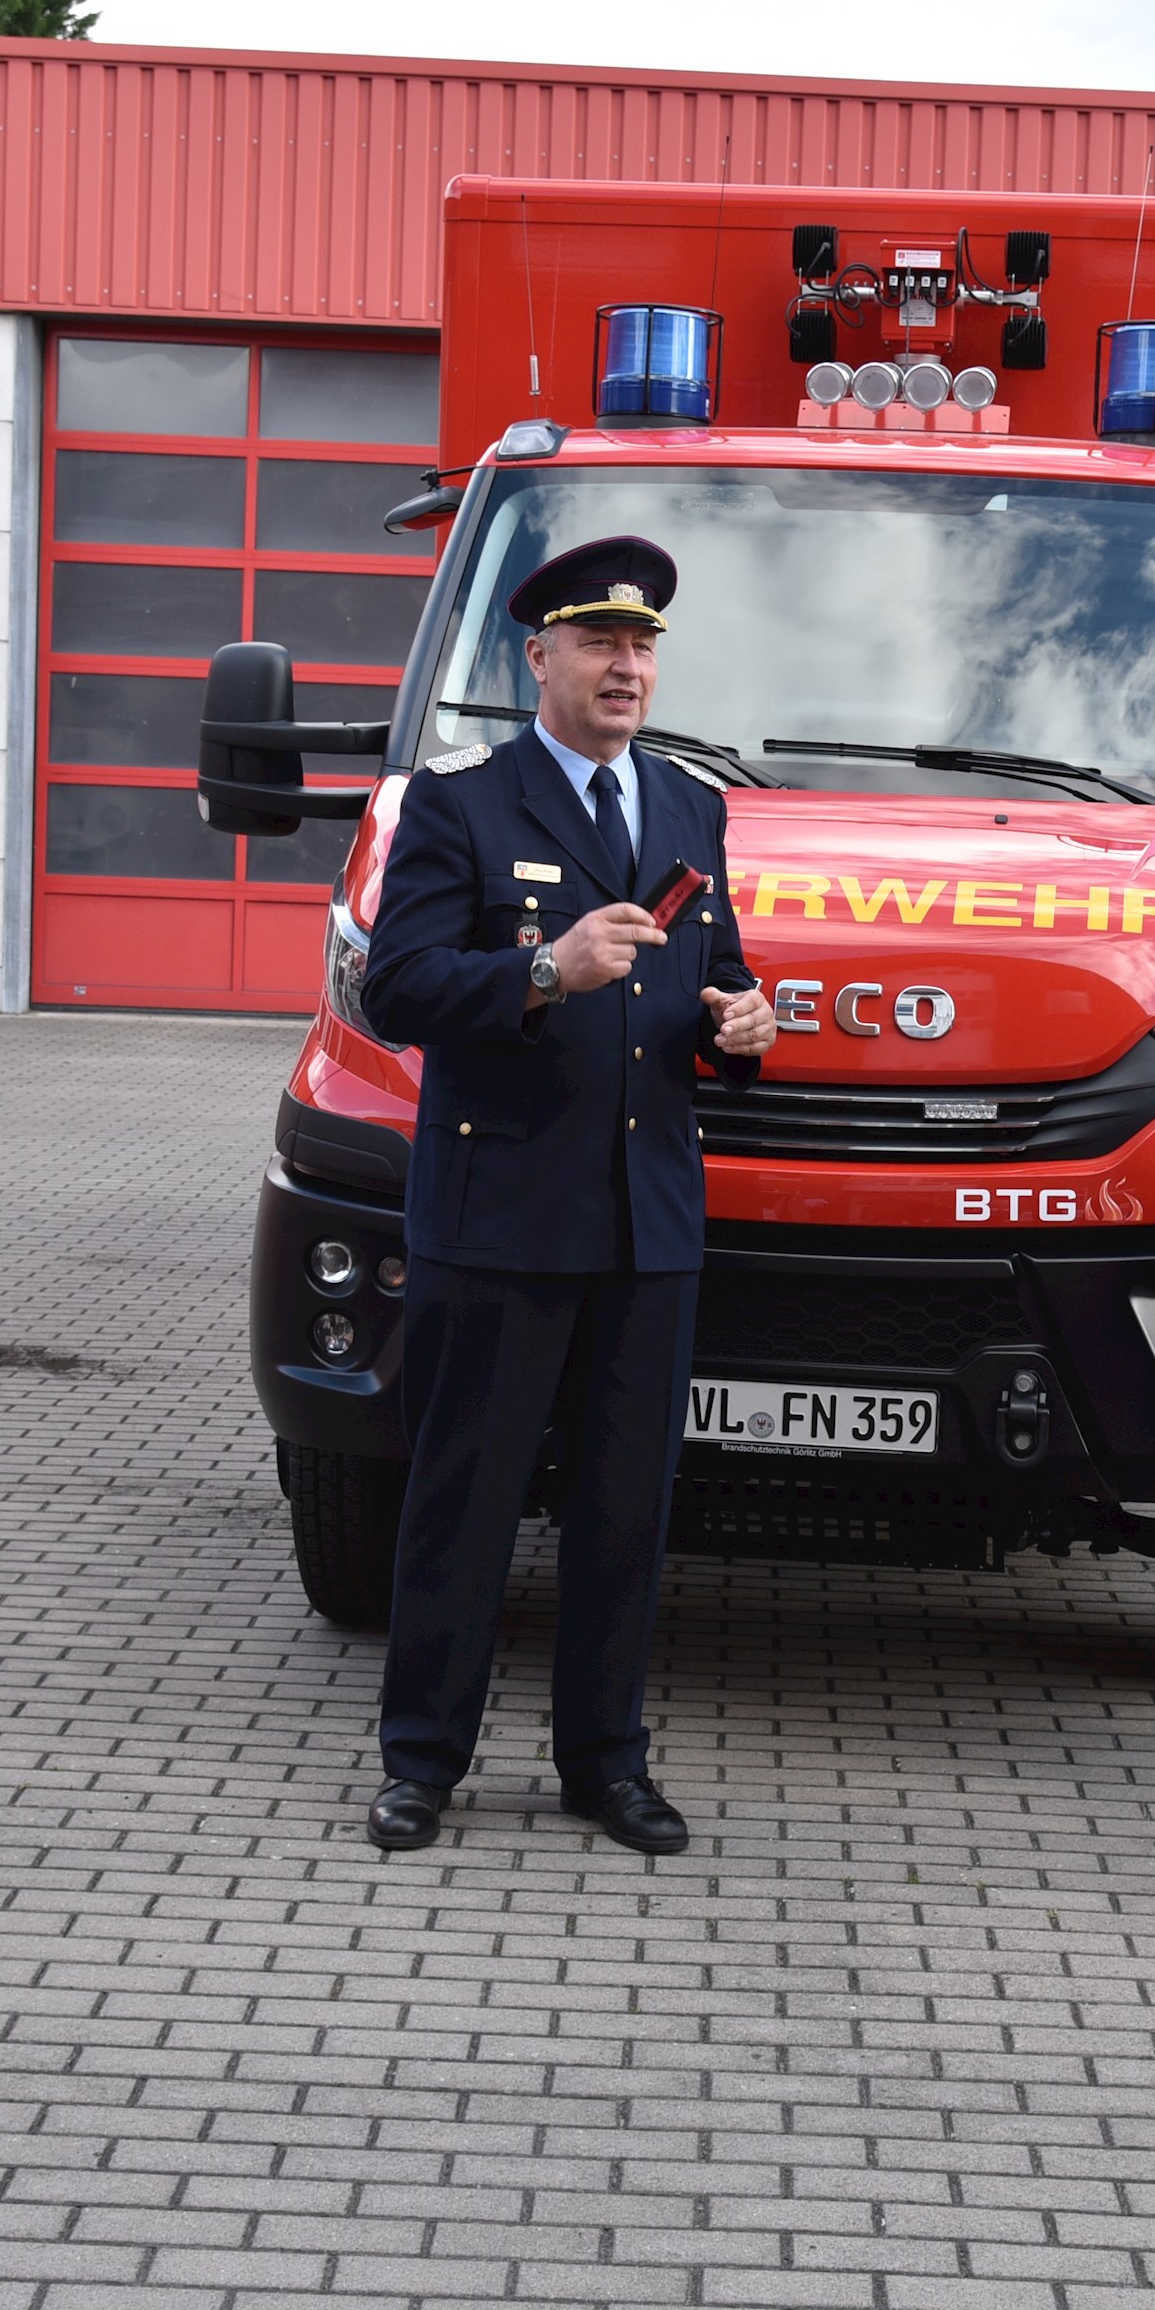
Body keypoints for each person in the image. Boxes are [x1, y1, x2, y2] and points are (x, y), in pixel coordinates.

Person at [353, 535, 774, 1856]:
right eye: (599, 643)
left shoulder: (691, 809)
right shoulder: (464, 804)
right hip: (501, 1217)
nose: (625, 666)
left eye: (642, 645)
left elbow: (712, 974)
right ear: (538, 658)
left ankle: (606, 1764)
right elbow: (396, 986)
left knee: (623, 1514)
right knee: (465, 1502)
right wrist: (544, 970)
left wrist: (741, 1025)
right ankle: (423, 1762)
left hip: (647, 1223)